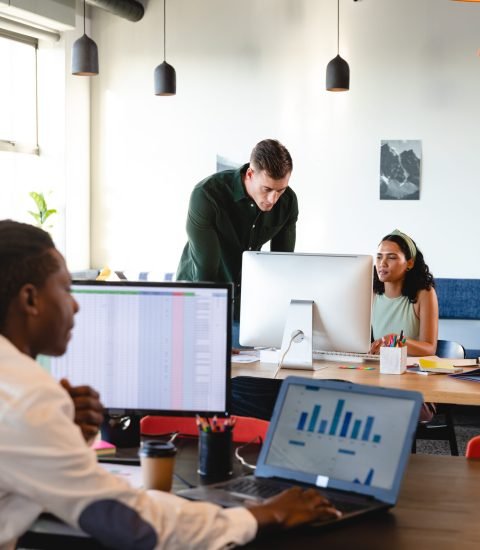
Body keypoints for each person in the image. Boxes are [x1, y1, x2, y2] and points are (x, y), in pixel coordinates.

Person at [0, 219, 340, 549]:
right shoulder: (29, 397)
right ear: (30, 300)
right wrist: (263, 514)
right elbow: (133, 526)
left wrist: (61, 431)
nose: (75, 304)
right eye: (65, 289)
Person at [176, 139, 298, 339]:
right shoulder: (207, 195)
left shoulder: (288, 203)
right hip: (197, 300)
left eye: (281, 190)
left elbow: (281, 267)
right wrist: (209, 332)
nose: (273, 199)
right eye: (267, 189)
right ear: (250, 174)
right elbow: (206, 271)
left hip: (245, 309)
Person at [369, 229, 438, 357]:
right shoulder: (371, 293)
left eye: (391, 257)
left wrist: (397, 341)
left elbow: (429, 348)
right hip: (380, 368)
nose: (382, 263)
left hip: (413, 371)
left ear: (410, 263)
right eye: (379, 257)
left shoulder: (424, 294)